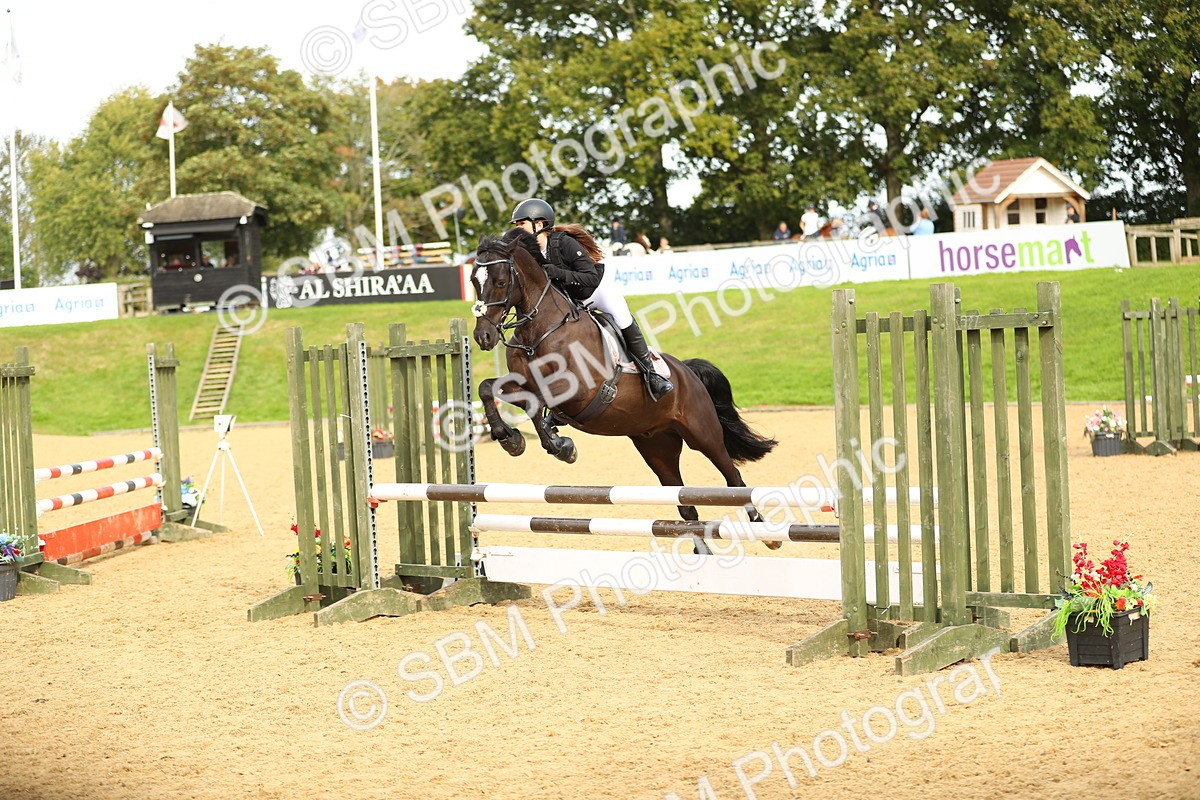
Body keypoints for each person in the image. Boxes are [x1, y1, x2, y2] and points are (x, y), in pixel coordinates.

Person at [509, 198, 673, 400]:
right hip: (571, 301)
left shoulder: (564, 243)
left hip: (596, 292)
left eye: (521, 224)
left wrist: (559, 273)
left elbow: (591, 277)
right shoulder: (530, 254)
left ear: (540, 224)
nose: (518, 229)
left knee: (623, 320)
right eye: (516, 225)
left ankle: (651, 374)